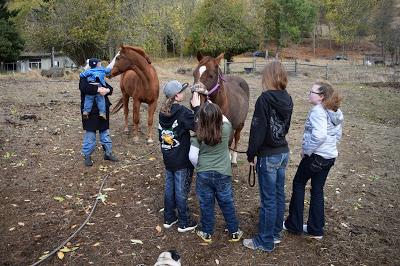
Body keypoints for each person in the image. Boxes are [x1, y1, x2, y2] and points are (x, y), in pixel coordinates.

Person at [242, 61, 293, 252]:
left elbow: (258, 129)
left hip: (269, 156)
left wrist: (251, 153)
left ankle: (264, 241)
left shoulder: (264, 99)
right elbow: (285, 127)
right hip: (283, 152)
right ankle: (275, 232)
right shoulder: (288, 98)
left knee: (268, 200)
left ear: (268, 77)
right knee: (279, 195)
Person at [283, 80, 343, 240]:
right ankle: (316, 229)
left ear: (321, 97)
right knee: (317, 190)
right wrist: (330, 146)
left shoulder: (318, 111)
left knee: (298, 183)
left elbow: (320, 135)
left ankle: (294, 225)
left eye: (312, 92)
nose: (309, 94)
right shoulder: (335, 111)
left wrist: (306, 151)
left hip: (316, 156)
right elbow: (337, 134)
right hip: (329, 157)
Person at [189, 102, 243, 243]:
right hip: (223, 173)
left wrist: (200, 167)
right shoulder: (226, 129)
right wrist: (213, 106)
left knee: (206, 204)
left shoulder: (198, 134)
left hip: (204, 174)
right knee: (226, 202)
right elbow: (224, 119)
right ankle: (234, 232)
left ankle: (207, 233)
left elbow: (192, 156)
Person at [158, 80, 201, 233]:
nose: (184, 93)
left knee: (170, 188)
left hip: (168, 156)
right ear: (176, 96)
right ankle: (184, 221)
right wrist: (196, 108)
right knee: (181, 190)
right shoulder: (182, 112)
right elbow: (199, 125)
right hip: (181, 158)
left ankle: (169, 217)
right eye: (182, 91)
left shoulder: (163, 112)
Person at [79, 58, 118, 167]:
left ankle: (108, 153)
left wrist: (107, 90)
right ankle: (87, 155)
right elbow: (84, 88)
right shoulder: (84, 77)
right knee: (90, 135)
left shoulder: (99, 75)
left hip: (102, 111)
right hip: (89, 111)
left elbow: (109, 87)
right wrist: (98, 90)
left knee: (105, 133)